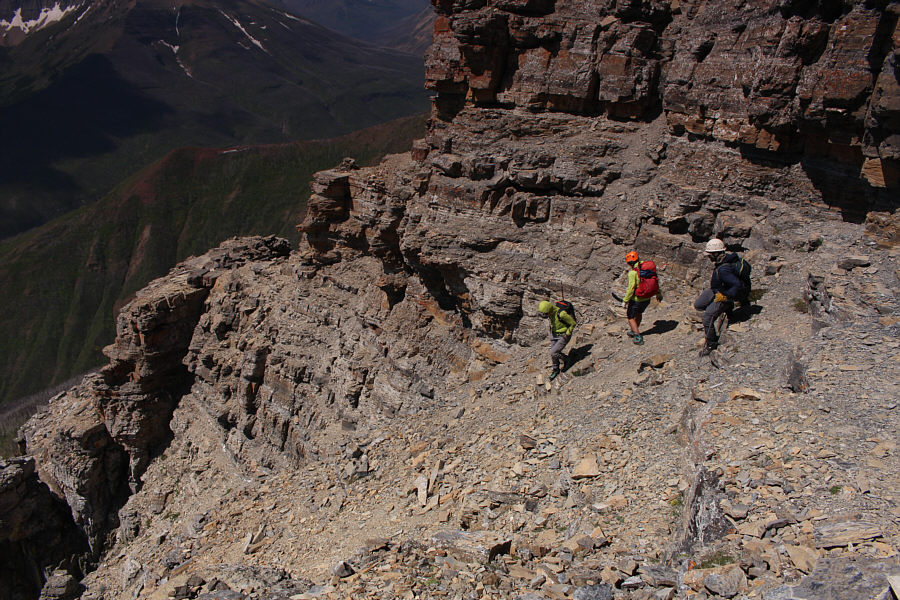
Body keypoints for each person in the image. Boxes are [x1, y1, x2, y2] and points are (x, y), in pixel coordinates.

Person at [693, 238, 748, 356]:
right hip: (717, 290)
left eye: (710, 255)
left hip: (723, 295)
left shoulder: (724, 269)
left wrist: (726, 296)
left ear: (716, 254)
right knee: (698, 305)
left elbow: (737, 285)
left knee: (707, 318)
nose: (708, 257)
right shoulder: (724, 261)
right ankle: (726, 308)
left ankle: (711, 344)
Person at [622, 251, 662, 345]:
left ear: (629, 263)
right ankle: (634, 330)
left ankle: (637, 335)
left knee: (630, 317)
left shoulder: (633, 273)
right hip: (647, 298)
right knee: (639, 313)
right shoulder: (648, 269)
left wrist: (625, 300)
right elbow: (655, 282)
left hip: (637, 299)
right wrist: (658, 294)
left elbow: (631, 288)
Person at [538, 300, 575, 380]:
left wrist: (568, 333)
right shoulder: (551, 313)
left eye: (546, 314)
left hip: (563, 335)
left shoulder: (561, 314)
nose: (546, 316)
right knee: (553, 354)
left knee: (553, 352)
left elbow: (573, 323)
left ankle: (566, 359)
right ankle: (556, 369)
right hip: (554, 334)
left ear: (550, 310)